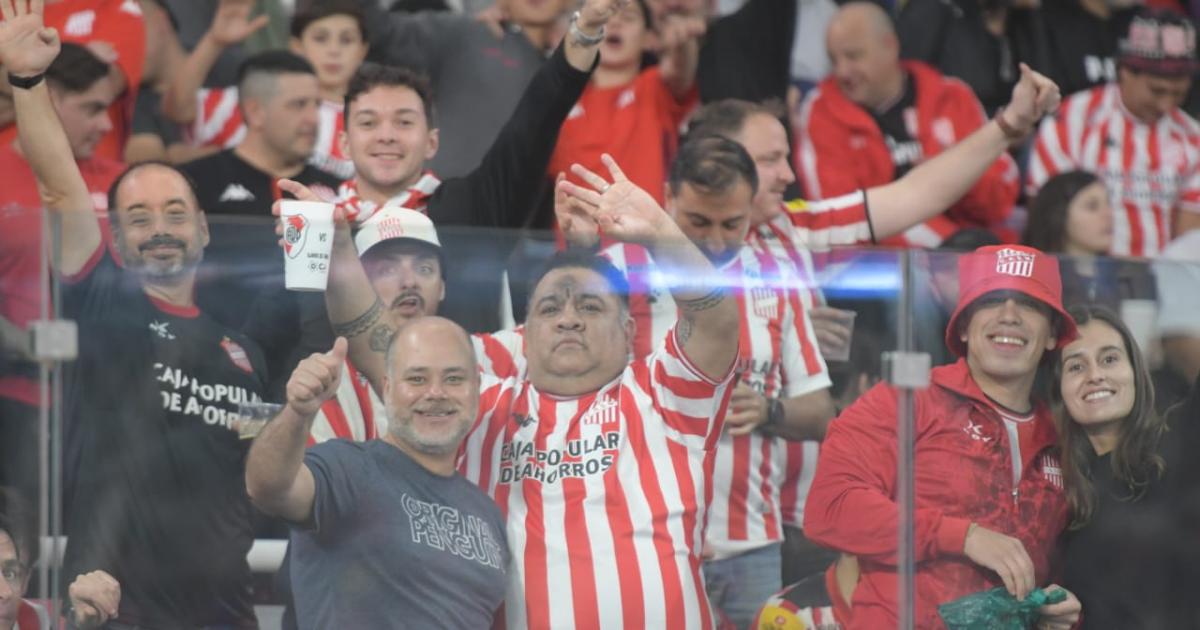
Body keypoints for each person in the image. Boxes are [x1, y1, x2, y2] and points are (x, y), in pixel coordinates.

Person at [322, 153, 741, 628]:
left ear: (628, 332)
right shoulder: (478, 408)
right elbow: (381, 348)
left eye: (589, 306)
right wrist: (339, 252)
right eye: (549, 308)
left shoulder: (664, 395)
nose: (568, 318)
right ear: (525, 332)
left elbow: (717, 320)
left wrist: (659, 233)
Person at [0, 3, 269, 627]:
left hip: (226, 611)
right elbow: (60, 187)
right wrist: (29, 82)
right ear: (114, 241)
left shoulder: (244, 351)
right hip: (111, 606)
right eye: (138, 219)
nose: (159, 231)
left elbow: (256, 481)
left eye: (175, 213)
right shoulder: (101, 298)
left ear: (203, 229)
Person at [592, 136, 835, 629]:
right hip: (642, 533)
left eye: (733, 224)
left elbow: (821, 412)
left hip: (751, 542)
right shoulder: (621, 268)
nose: (717, 242)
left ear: (752, 210)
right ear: (668, 198)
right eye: (698, 222)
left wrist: (767, 411)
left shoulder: (776, 276)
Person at [804, 244, 1083, 628]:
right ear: (964, 327)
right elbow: (830, 509)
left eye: (1029, 304)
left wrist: (1054, 607)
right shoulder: (905, 400)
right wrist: (963, 536)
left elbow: (1059, 559)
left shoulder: (1063, 435)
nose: (1009, 316)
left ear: (1053, 334)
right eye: (992, 300)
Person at [329, 0, 622, 334]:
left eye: (404, 122)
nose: (386, 136)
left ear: (432, 142)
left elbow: (538, 117)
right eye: (368, 123)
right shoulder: (324, 227)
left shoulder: (475, 206)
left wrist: (585, 29)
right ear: (344, 144)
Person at [244, 324, 510, 629]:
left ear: (476, 387)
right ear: (387, 388)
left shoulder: (488, 514)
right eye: (417, 379)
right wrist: (297, 412)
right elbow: (267, 486)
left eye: (453, 378)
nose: (436, 393)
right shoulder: (347, 469)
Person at [0, 42, 124, 500]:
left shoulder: (122, 183)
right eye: (92, 109)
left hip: (107, 402)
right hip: (14, 400)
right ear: (48, 99)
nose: (107, 125)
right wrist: (25, 342)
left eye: (108, 109)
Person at [796, 1, 1019, 248]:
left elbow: (1000, 199)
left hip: (974, 250)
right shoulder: (821, 112)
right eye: (833, 59)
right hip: (883, 268)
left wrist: (949, 175)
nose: (842, 72)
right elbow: (838, 224)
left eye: (853, 56)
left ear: (890, 45)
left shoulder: (953, 97)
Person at [1054, 305, 1200, 628]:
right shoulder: (1057, 485)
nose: (1095, 375)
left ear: (1136, 371)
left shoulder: (1183, 437)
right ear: (1060, 389)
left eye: (1109, 359)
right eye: (1076, 366)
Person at [1027, 8, 1200, 257]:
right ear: (1124, 72)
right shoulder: (1072, 121)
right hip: (1079, 275)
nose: (1166, 105)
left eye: (1178, 95)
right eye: (1157, 91)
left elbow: (1191, 240)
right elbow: (1047, 217)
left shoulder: (1192, 136)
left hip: (1162, 282)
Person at [338, 0, 570, 178]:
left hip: (537, 226)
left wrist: (580, 35)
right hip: (443, 212)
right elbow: (379, 30)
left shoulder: (584, 57)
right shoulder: (465, 33)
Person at [163, 0, 366, 179]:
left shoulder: (370, 122)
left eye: (346, 40)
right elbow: (177, 108)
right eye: (320, 38)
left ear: (363, 50)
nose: (334, 50)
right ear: (296, 46)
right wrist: (215, 41)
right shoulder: (253, 98)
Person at [548, 0, 704, 207]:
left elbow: (679, 70)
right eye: (604, 16)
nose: (614, 24)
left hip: (644, 236)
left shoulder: (655, 87)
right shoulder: (558, 98)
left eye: (628, 18)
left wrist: (684, 43)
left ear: (650, 39)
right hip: (573, 235)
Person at [1022, 170, 1156, 312]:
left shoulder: (1131, 276)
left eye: (1108, 204)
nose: (1108, 214)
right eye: (1092, 206)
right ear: (1058, 216)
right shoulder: (1030, 279)